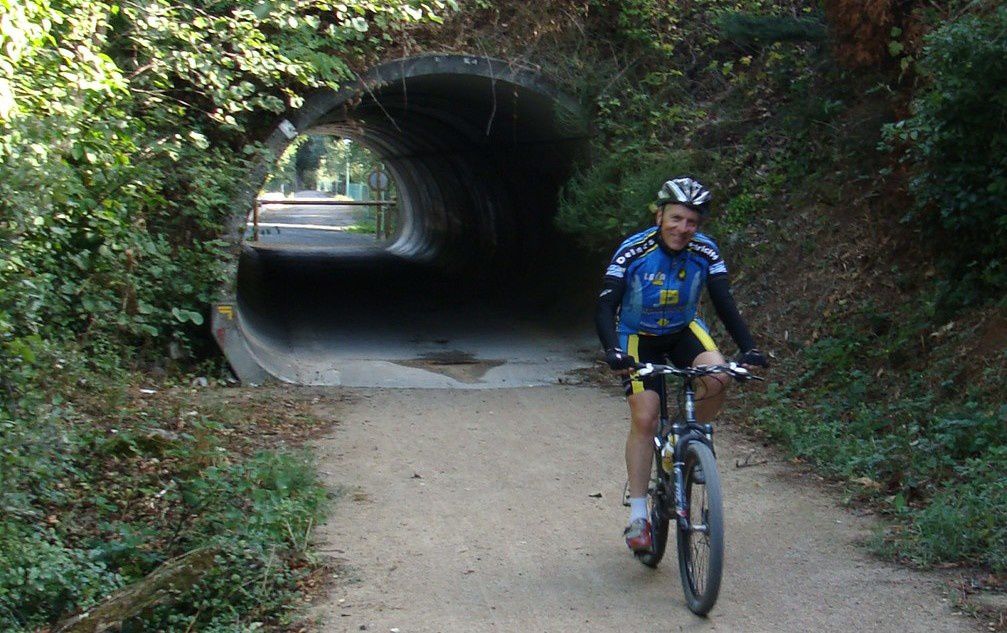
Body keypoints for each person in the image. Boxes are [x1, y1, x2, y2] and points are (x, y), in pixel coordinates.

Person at [595, 176, 768, 552]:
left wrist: (749, 348)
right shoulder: (634, 250)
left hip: (683, 328)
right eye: (676, 218)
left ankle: (692, 441)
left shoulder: (705, 251)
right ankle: (638, 517)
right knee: (646, 416)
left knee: (719, 375)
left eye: (691, 222)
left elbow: (724, 302)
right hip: (638, 336)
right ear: (659, 215)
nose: (683, 229)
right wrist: (613, 351)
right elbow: (606, 304)